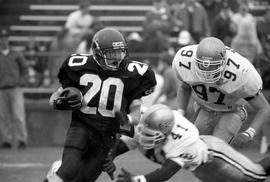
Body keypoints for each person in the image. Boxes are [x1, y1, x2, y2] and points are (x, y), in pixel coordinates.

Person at [44, 27, 156, 182]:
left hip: (107, 135)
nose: (117, 57)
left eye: (120, 52)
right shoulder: (79, 65)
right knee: (69, 169)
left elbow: (136, 114)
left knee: (84, 179)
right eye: (111, 53)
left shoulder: (135, 74)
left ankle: (55, 171)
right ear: (97, 52)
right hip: (81, 126)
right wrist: (59, 102)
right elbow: (54, 98)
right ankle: (58, 171)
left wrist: (127, 119)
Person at [47, 104, 270, 182]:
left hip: (213, 157)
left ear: (166, 132)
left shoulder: (185, 140)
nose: (142, 136)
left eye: (150, 134)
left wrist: (135, 180)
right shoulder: (148, 118)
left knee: (257, 175)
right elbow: (127, 139)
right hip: (198, 169)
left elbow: (166, 173)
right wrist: (110, 155)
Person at [172, 37, 270, 147]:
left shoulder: (240, 72)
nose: (207, 72)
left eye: (212, 66)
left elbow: (264, 107)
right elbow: (184, 87)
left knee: (216, 149)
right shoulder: (185, 61)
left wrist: (250, 132)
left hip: (231, 111)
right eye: (202, 65)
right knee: (193, 146)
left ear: (224, 63)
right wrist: (180, 113)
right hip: (204, 109)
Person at [0, 29, 28, 149]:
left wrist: (21, 81)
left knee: (19, 115)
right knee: (3, 116)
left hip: (15, 88)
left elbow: (25, 69)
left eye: (5, 38)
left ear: (8, 39)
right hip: (1, 89)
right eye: (2, 38)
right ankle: (7, 140)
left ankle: (22, 140)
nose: (4, 40)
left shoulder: (16, 54)